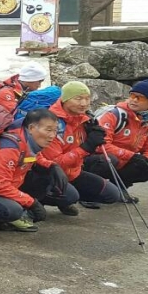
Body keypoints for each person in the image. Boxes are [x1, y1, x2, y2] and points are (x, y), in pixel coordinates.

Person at [23, 81, 121, 213]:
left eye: (87, 98)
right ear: (65, 99)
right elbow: (55, 162)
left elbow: (90, 150)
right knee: (70, 196)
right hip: (50, 173)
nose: (84, 103)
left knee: (112, 194)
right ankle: (35, 201)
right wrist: (86, 147)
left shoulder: (84, 120)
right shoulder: (52, 123)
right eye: (78, 98)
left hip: (74, 172)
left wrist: (95, 138)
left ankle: (70, 198)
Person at [0, 108, 59, 232]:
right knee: (13, 211)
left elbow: (35, 156)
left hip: (6, 186)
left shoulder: (26, 139)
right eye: (48, 130)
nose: (52, 135)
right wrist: (32, 203)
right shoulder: (8, 147)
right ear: (31, 128)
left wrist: (52, 166)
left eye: (55, 130)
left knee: (47, 177)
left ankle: (6, 216)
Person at [89, 79, 148, 187]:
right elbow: (101, 145)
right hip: (100, 158)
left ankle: (120, 187)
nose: (134, 100)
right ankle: (92, 189)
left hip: (124, 160)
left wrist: (145, 159)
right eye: (132, 96)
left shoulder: (146, 122)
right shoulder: (114, 115)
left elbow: (147, 148)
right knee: (109, 160)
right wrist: (132, 156)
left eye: (140, 98)